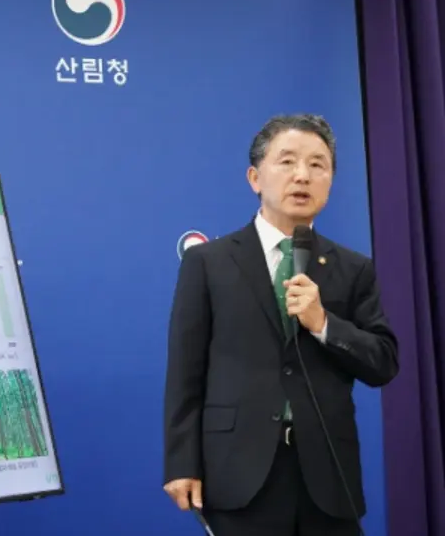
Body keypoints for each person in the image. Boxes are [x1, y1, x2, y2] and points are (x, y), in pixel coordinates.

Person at [162, 114, 399, 536]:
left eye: (317, 164)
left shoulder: (353, 268)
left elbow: (383, 362)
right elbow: (185, 372)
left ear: (330, 181)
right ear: (255, 178)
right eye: (287, 161)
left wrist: (323, 323)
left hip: (327, 475)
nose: (302, 175)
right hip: (239, 472)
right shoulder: (209, 263)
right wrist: (182, 462)